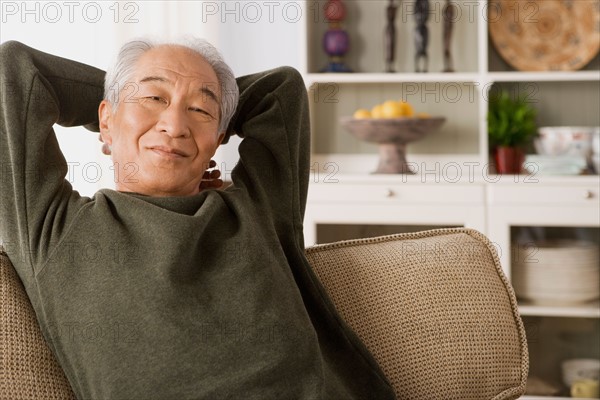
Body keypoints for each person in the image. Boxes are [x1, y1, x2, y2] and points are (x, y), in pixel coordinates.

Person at [0, 39, 396, 399]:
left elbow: (281, 90)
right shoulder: (53, 230)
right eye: (153, 98)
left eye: (200, 110)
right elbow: (14, 70)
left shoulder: (259, 209)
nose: (175, 125)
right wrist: (120, 103)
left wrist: (144, 104)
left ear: (220, 136)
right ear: (105, 119)